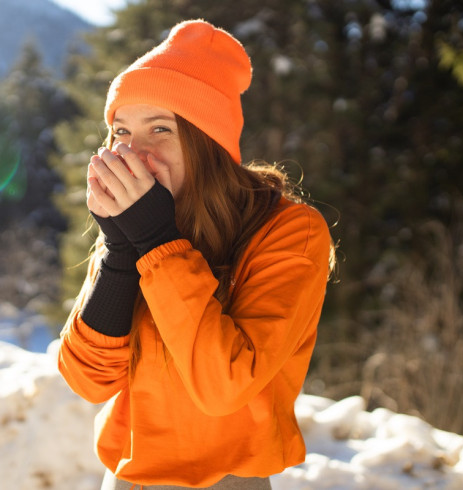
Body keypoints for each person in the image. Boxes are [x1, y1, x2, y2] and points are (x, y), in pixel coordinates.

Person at [57, 19, 334, 490]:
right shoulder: (141, 223)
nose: (135, 152)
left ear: (208, 141)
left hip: (227, 481)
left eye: (160, 128)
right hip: (125, 478)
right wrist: (122, 253)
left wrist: (156, 242)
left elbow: (223, 385)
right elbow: (89, 379)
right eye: (121, 131)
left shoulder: (290, 232)